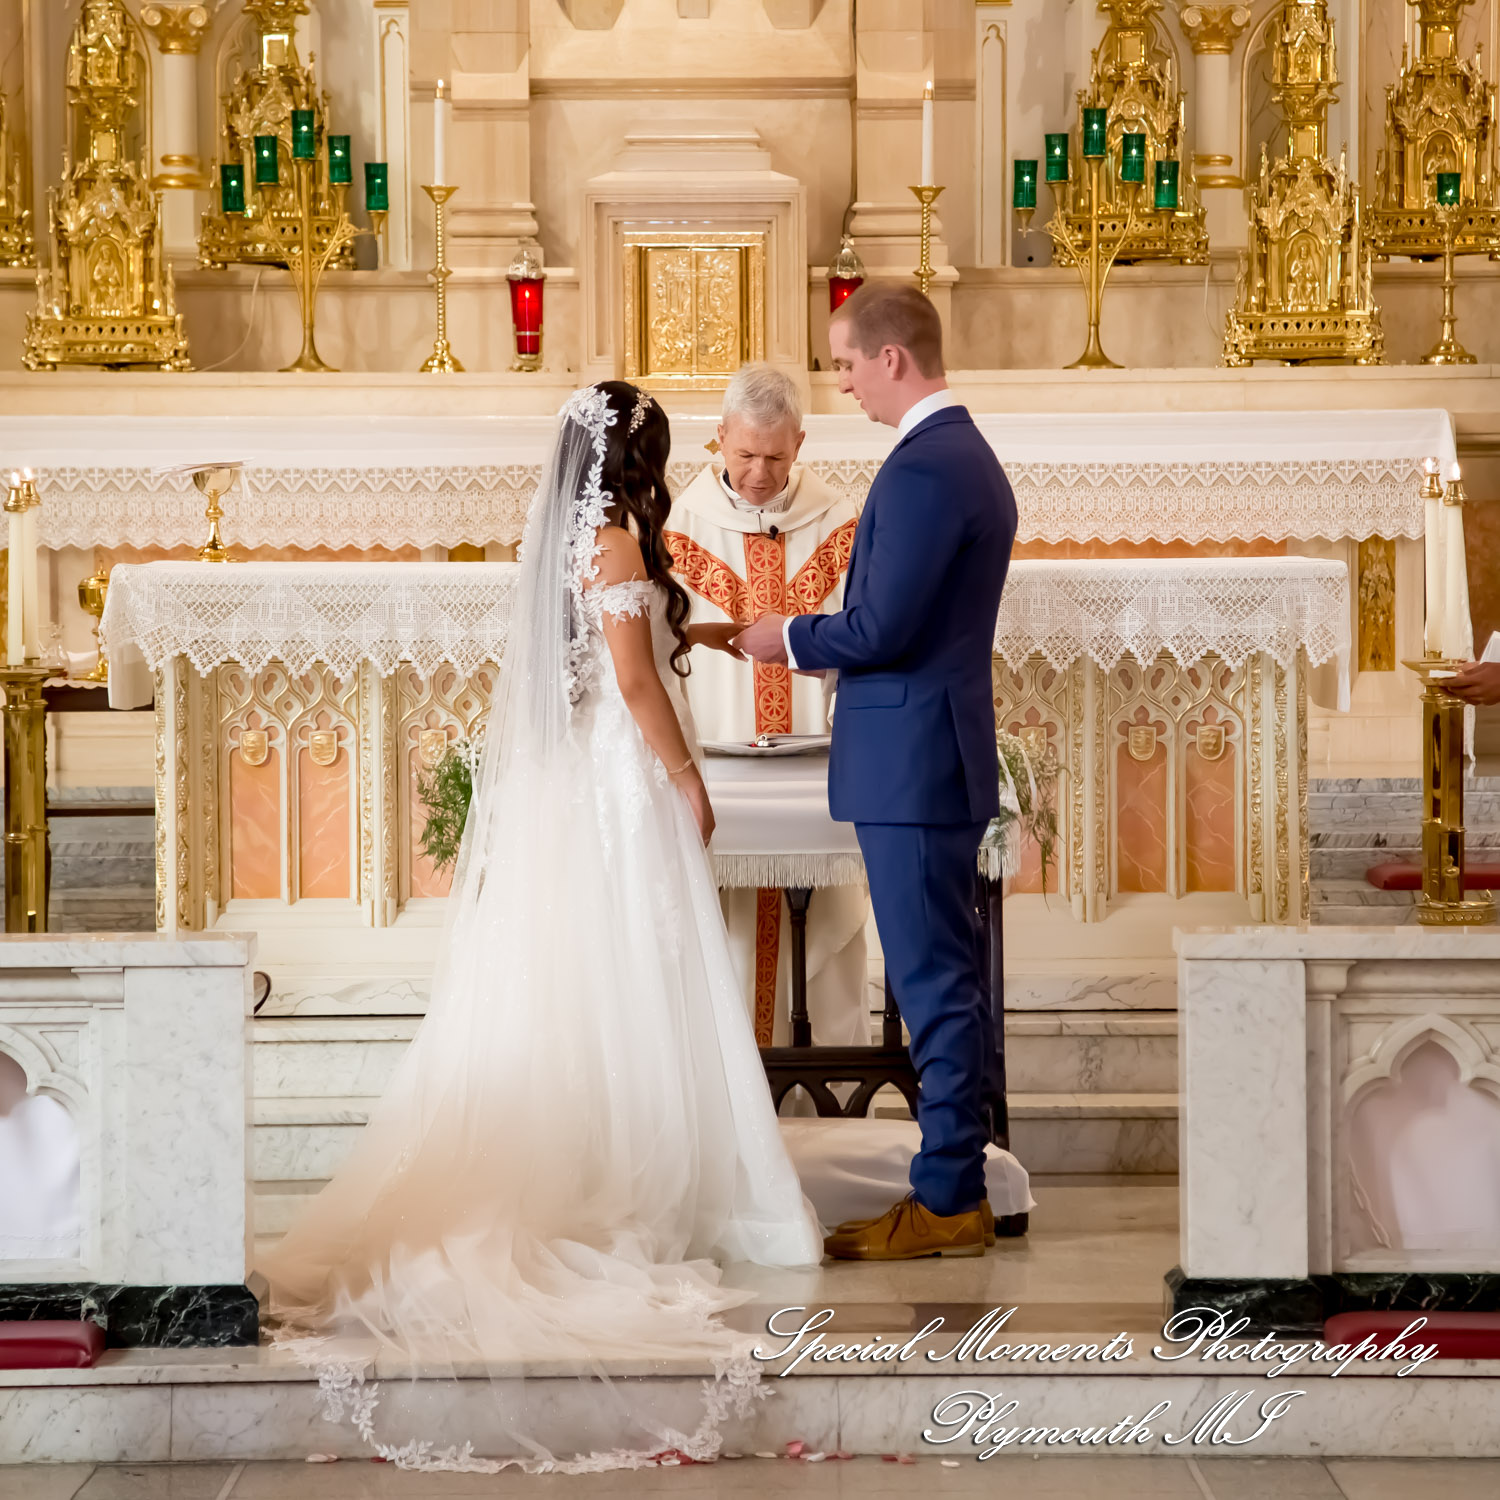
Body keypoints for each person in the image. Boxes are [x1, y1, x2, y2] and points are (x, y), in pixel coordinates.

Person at [259, 381, 821, 1471]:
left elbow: (632, 636)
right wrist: (685, 775)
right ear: (637, 460)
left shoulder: (590, 542)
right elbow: (631, 678)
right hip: (622, 778)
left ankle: (622, 1143)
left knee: (600, 975)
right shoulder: (614, 542)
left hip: (580, 777)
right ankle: (638, 1169)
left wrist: (694, 626)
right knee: (636, 972)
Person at [736, 282, 1017, 1261]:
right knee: (949, 978)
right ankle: (956, 1186)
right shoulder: (956, 455)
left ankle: (945, 1199)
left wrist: (787, 636)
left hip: (913, 763)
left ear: (893, 358)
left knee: (936, 983)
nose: (844, 382)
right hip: (929, 754)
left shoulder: (928, 467)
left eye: (848, 362)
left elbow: (883, 627)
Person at [667, 362, 868, 1049]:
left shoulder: (839, 523)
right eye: (745, 453)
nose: (758, 472)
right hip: (720, 774)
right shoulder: (677, 528)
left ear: (801, 444)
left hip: (814, 771)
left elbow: (865, 632)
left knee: (821, 928)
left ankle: (823, 1090)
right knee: (722, 940)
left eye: (776, 457)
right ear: (720, 438)